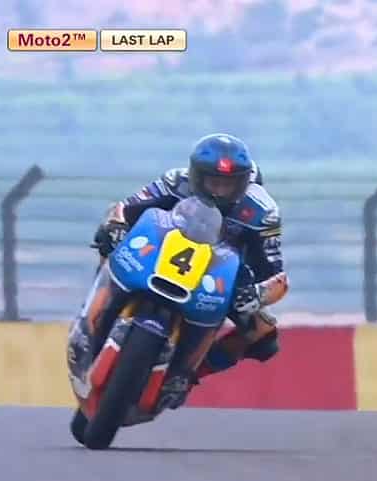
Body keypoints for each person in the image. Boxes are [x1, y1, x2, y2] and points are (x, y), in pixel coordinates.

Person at [91, 133, 288, 408]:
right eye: (213, 182)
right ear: (196, 175)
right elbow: (127, 208)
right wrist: (114, 227)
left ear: (244, 183)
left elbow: (275, 273)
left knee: (263, 335)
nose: (219, 191)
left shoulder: (262, 211)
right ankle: (95, 311)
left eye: (229, 184)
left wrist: (255, 294)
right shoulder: (176, 181)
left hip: (219, 277)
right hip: (158, 255)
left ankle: (189, 375)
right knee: (108, 244)